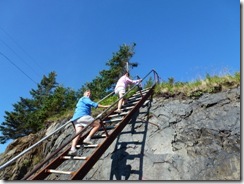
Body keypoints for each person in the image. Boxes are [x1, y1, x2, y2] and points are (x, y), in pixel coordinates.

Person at [68, 89, 110, 156]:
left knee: (78, 133)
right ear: (84, 94)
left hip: (76, 119)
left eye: (89, 94)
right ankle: (87, 138)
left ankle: (73, 149)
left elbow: (88, 109)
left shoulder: (80, 101)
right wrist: (105, 106)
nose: (89, 95)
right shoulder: (85, 98)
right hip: (82, 116)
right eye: (87, 93)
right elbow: (93, 104)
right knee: (97, 124)